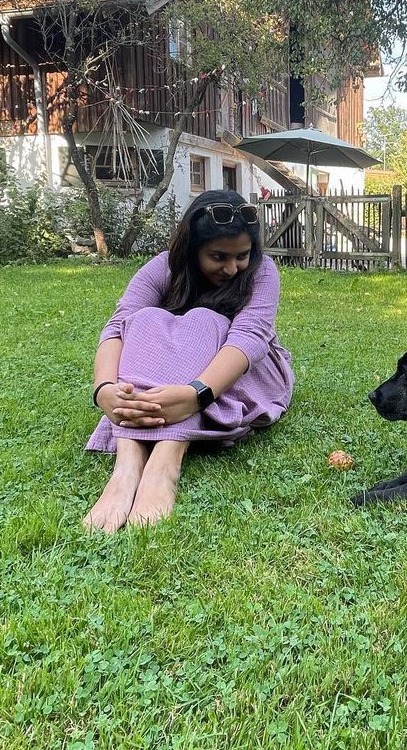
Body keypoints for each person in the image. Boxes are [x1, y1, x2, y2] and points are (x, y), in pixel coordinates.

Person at [83, 189, 293, 532]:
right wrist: (104, 390)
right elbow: (119, 326)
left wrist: (196, 394)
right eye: (218, 256)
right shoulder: (163, 266)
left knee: (204, 319)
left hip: (244, 372)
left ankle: (167, 456)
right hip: (169, 376)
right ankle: (127, 462)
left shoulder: (262, 272)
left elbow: (250, 337)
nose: (232, 268)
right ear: (192, 248)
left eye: (242, 256)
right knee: (147, 319)